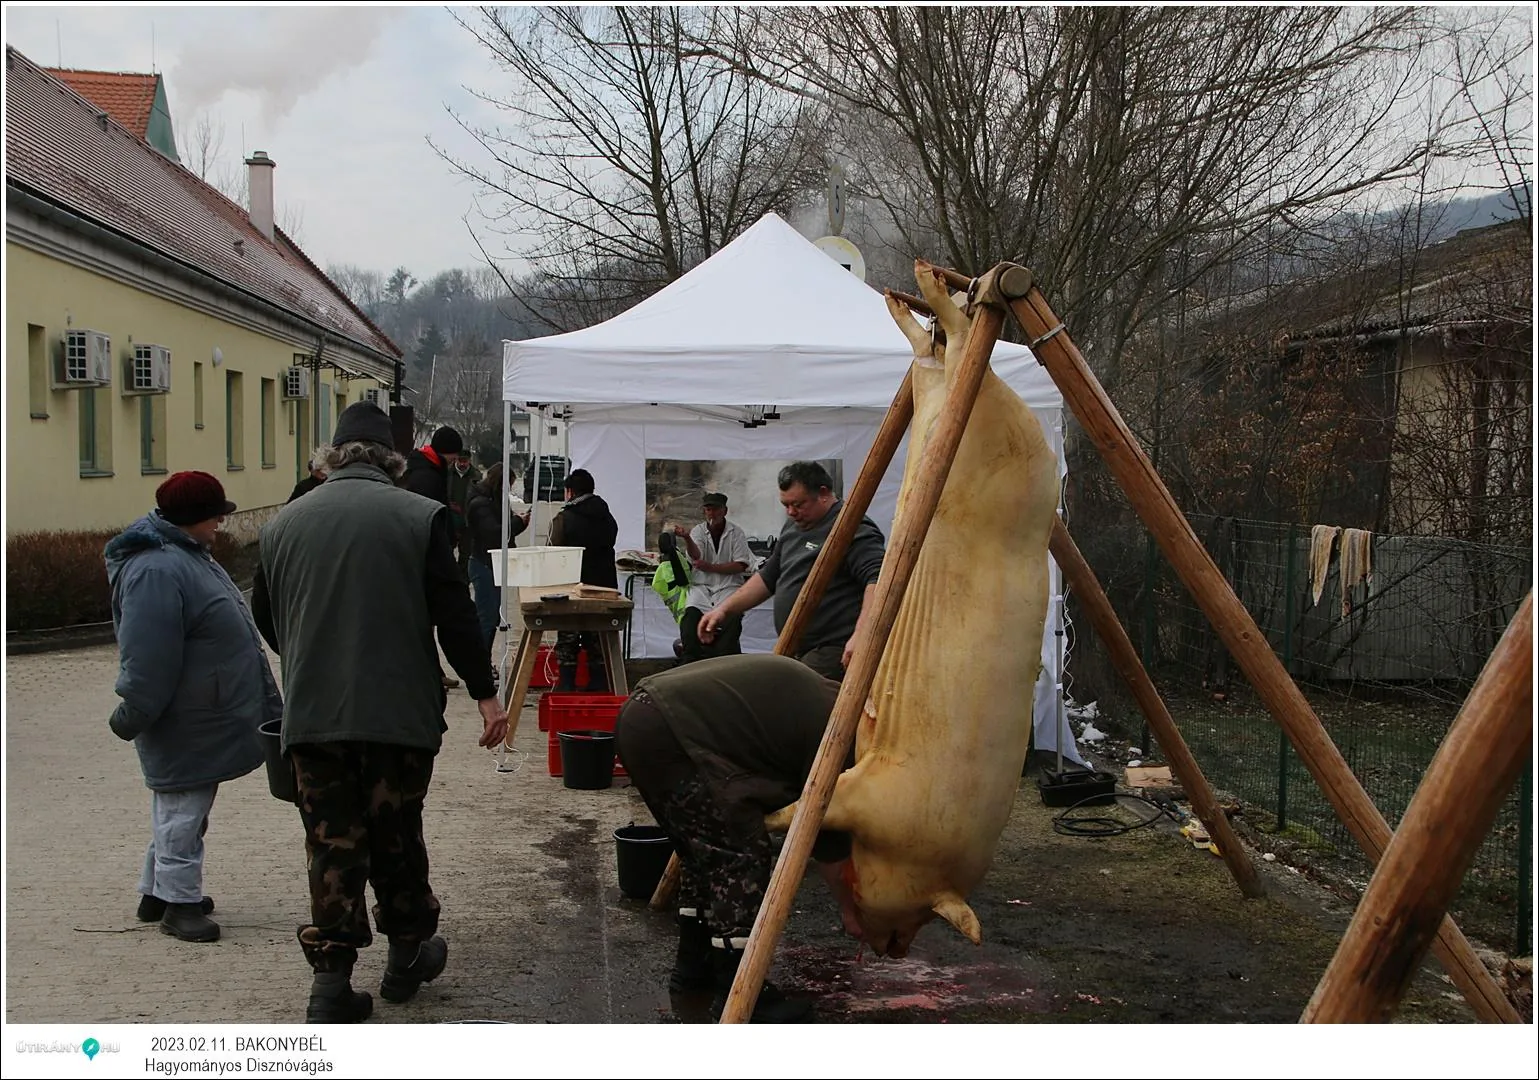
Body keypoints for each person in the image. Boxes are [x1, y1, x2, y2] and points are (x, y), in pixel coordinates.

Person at [251, 402, 509, 1024]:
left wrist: (314, 655)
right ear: (392, 460)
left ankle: (331, 986)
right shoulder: (421, 517)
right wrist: (485, 692)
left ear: (329, 459)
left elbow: (264, 612)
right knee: (397, 832)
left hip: (312, 716)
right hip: (397, 716)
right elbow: (455, 614)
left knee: (331, 841)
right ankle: (406, 957)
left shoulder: (283, 524)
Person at [615, 654, 861, 1023]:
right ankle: (744, 991)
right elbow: (826, 835)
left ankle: (695, 968)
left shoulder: (820, 696)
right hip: (670, 730)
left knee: (703, 855)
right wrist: (851, 910)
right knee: (739, 854)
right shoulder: (840, 729)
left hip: (642, 718)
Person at [103, 471, 280, 944]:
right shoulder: (158, 570)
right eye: (215, 514)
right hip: (184, 715)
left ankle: (157, 892)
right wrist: (133, 712)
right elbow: (149, 659)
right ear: (190, 518)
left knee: (184, 806)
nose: (223, 521)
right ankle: (179, 905)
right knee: (180, 810)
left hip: (200, 713)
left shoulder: (185, 556)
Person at [698, 461, 885, 680]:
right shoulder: (794, 525)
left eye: (798, 504)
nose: (791, 512)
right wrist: (724, 610)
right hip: (795, 646)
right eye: (785, 505)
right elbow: (768, 577)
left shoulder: (852, 527)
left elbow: (878, 580)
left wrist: (862, 635)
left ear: (823, 493)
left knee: (795, 704)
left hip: (833, 649)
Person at [400, 426, 466, 689]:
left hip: (425, 555)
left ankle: (433, 671)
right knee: (428, 617)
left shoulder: (427, 469)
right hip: (424, 558)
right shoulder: (428, 478)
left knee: (428, 618)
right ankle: (429, 673)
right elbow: (429, 519)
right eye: (453, 456)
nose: (454, 462)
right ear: (445, 452)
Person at [547, 467, 619, 692]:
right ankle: (598, 688)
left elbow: (553, 551)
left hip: (573, 589)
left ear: (569, 492)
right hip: (604, 588)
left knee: (568, 638)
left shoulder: (564, 518)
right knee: (597, 640)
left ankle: (566, 687)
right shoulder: (607, 516)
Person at [464, 462, 531, 676]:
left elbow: (502, 532)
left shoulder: (492, 500)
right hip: (484, 564)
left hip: (493, 563)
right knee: (487, 617)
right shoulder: (480, 504)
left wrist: (516, 523)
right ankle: (478, 664)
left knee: (491, 617)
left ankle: (482, 662)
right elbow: (494, 533)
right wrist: (517, 522)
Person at [672, 492, 752, 663]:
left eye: (715, 509)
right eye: (708, 509)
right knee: (690, 618)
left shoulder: (736, 533)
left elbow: (741, 564)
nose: (712, 513)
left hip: (728, 587)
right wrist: (687, 538)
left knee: (733, 618)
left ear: (725, 511)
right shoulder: (698, 531)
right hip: (702, 587)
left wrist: (711, 567)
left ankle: (722, 659)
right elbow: (696, 555)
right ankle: (689, 660)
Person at [446, 451, 481, 579]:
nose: (462, 464)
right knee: (446, 551)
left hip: (468, 521)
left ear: (469, 461)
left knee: (466, 554)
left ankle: (463, 581)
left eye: (465, 461)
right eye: (460, 460)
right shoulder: (447, 474)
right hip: (450, 520)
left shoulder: (476, 476)